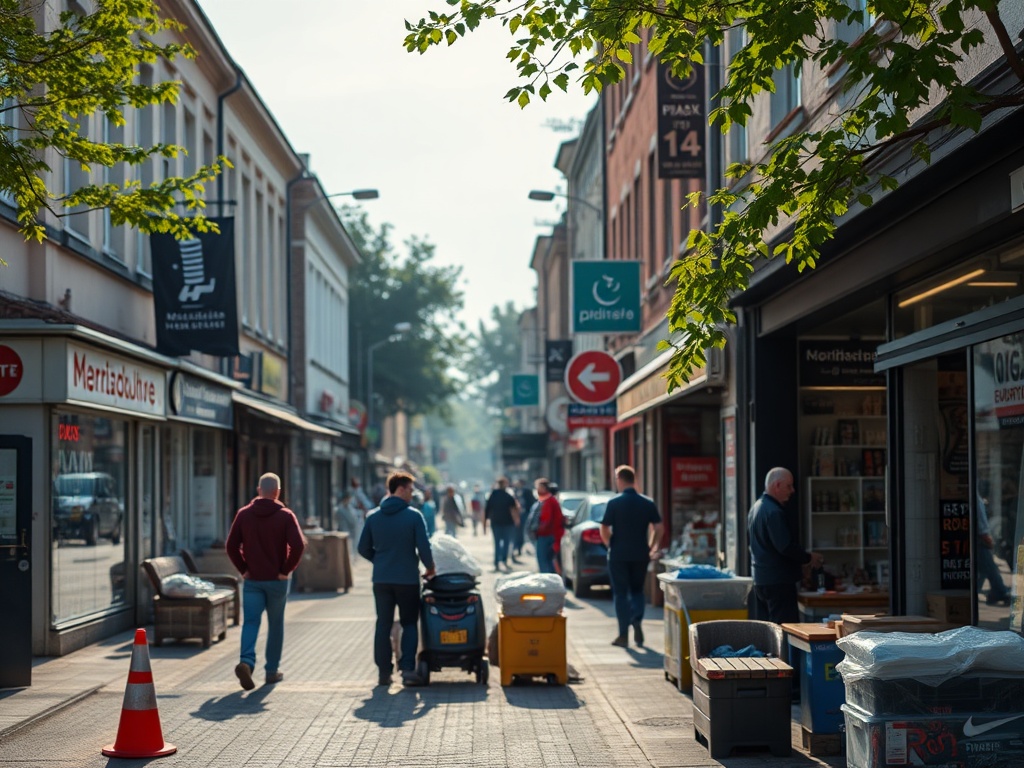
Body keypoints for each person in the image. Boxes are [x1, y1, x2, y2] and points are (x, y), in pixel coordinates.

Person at [225, 472, 306, 690]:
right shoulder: (286, 516)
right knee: (275, 624)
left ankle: (246, 662)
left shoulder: (244, 514)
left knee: (251, 622)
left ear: (259, 490)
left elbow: (231, 546)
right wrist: (285, 570)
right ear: (277, 492)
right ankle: (271, 671)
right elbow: (298, 545)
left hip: (253, 580)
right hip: (277, 581)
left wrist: (244, 569)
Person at [358, 471, 435, 687]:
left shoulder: (373, 516)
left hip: (381, 580)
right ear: (400, 489)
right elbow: (424, 548)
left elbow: (363, 548)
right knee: (409, 623)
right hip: (407, 580)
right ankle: (407, 670)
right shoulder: (414, 516)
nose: (412, 493)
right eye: (410, 489)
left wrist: (379, 561)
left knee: (383, 624)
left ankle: (384, 673)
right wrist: (430, 568)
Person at [747, 467, 823, 623]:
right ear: (777, 485)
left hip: (760, 580)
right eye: (789, 486)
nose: (792, 490)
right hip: (779, 582)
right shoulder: (774, 512)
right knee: (784, 630)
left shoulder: (756, 508)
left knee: (767, 630)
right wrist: (808, 557)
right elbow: (785, 546)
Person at [600, 465, 663, 648]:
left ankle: (622, 634)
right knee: (637, 591)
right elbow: (659, 527)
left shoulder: (614, 503)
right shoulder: (647, 502)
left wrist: (609, 544)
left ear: (620, 479)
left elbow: (604, 527)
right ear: (633, 479)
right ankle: (636, 619)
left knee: (620, 593)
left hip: (618, 554)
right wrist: (651, 545)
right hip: (640, 553)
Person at [976, 492, 1011, 606]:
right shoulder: (975, 497)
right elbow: (980, 518)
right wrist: (985, 535)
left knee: (986, 567)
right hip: (979, 538)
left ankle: (997, 590)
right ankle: (999, 590)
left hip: (979, 537)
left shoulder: (976, 497)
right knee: (989, 566)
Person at [484, 476, 521, 572]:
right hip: (507, 523)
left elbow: (487, 509)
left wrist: (485, 523)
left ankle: (497, 562)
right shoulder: (508, 496)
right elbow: (514, 509)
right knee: (506, 543)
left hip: (496, 522)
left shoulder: (493, 495)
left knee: (497, 543)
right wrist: (517, 521)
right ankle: (504, 561)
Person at [533, 478, 564, 574]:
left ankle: (547, 582)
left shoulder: (549, 501)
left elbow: (546, 521)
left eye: (538, 487)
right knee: (548, 562)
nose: (537, 490)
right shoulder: (548, 500)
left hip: (546, 536)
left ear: (544, 488)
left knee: (544, 563)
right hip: (549, 535)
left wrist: (537, 530)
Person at [512, 479, 534, 561]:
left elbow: (531, 502)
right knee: (516, 533)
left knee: (523, 532)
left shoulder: (527, 491)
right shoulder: (514, 492)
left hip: (525, 514)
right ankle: (516, 547)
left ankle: (520, 548)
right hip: (516, 514)